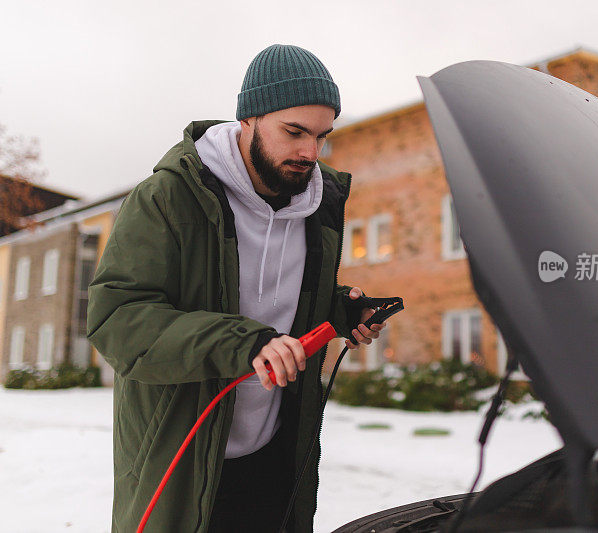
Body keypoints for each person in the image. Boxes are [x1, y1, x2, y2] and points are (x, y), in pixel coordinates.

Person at [87, 44, 384, 533]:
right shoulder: (168, 196)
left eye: (322, 136)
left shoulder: (319, 205)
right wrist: (246, 343)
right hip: (181, 461)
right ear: (249, 117)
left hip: (275, 460)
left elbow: (286, 301)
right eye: (294, 131)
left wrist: (339, 310)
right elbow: (117, 319)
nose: (310, 152)